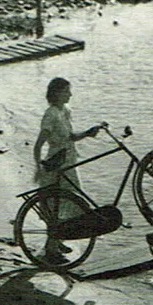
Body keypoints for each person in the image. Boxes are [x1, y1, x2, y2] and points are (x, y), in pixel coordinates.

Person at [32, 77, 100, 264]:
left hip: (69, 163)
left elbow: (70, 137)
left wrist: (87, 133)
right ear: (56, 94)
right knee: (57, 206)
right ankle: (51, 249)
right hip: (56, 165)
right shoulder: (51, 115)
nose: (70, 94)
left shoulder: (65, 110)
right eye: (66, 91)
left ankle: (58, 239)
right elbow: (38, 145)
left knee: (68, 203)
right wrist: (38, 167)